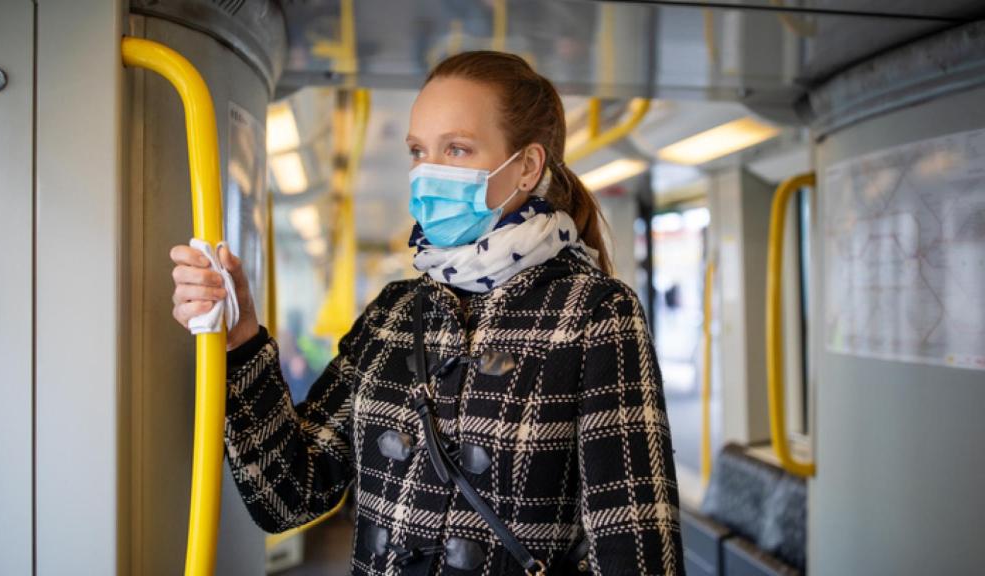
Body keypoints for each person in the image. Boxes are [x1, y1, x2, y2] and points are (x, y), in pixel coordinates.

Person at [170, 51, 686, 576]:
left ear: (527, 167)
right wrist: (242, 339)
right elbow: (292, 497)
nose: (428, 173)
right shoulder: (394, 313)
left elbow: (637, 554)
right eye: (419, 151)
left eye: (456, 149)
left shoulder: (595, 313)